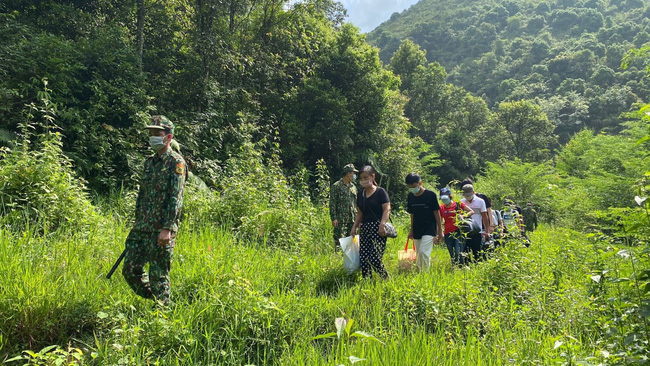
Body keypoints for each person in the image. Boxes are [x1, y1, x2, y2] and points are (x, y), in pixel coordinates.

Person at [122, 115, 187, 307]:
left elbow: (176, 198)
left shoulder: (176, 163)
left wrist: (167, 228)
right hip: (142, 226)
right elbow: (142, 195)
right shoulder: (149, 163)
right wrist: (137, 220)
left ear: (168, 137)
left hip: (162, 229)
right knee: (130, 269)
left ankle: (162, 313)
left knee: (158, 274)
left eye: (157, 133)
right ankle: (157, 299)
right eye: (150, 133)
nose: (152, 137)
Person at [350, 166, 390, 279]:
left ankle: (386, 278)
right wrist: (354, 227)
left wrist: (382, 224)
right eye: (361, 178)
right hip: (365, 228)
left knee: (374, 258)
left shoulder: (380, 192)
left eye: (366, 177)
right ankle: (367, 282)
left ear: (373, 176)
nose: (363, 180)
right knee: (364, 258)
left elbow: (387, 209)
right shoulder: (361, 194)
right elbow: (360, 213)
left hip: (378, 229)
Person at [405, 173, 444, 271]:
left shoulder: (430, 195)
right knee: (418, 254)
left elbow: (436, 212)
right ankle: (420, 272)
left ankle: (425, 273)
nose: (411, 188)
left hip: (429, 228)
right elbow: (412, 214)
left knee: (423, 252)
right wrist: (411, 230)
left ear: (420, 183)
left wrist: (440, 230)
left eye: (413, 186)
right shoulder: (410, 196)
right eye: (409, 187)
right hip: (417, 228)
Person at [439, 187, 474, 266]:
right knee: (452, 254)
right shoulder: (441, 208)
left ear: (450, 196)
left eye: (446, 198)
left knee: (458, 252)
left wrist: (463, 216)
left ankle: (461, 268)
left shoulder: (457, 204)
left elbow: (471, 211)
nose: (444, 200)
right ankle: (455, 268)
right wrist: (440, 233)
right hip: (448, 233)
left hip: (459, 231)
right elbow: (440, 221)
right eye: (442, 198)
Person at [329, 164, 358, 252]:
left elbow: (356, 203)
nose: (354, 175)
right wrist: (334, 218)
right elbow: (332, 203)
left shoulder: (353, 187)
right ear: (348, 173)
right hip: (340, 218)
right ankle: (338, 258)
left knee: (352, 240)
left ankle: (350, 259)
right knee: (339, 240)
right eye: (353, 173)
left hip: (352, 218)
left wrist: (358, 218)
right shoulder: (336, 186)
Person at [460, 184, 490, 262]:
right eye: (466, 195)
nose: (468, 197)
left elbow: (484, 216)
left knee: (476, 252)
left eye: (469, 195)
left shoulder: (480, 201)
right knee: (465, 253)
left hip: (477, 231)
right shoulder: (461, 202)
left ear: (473, 192)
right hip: (465, 232)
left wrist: (487, 231)